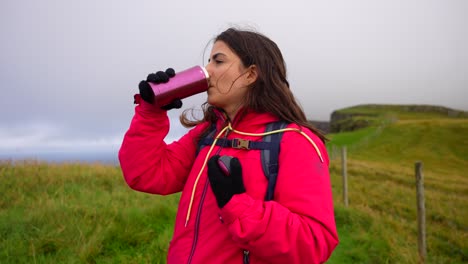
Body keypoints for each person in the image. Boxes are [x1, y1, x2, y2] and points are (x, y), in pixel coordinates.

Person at [119, 27, 339, 264]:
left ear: (251, 74)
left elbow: (314, 243)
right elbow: (146, 173)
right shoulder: (208, 134)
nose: (207, 71)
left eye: (218, 61)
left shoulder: (295, 141)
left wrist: (238, 205)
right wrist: (151, 111)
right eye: (208, 61)